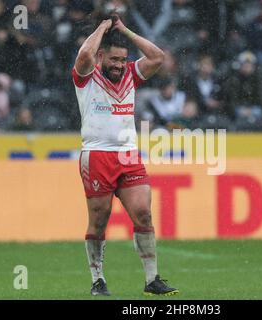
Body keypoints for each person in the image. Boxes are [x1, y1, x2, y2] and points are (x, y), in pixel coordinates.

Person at [72, 15, 178, 297]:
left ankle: (152, 279)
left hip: (128, 155)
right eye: (114, 59)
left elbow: (157, 57)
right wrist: (103, 27)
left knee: (143, 213)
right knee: (100, 219)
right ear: (101, 56)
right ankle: (97, 280)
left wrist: (124, 30)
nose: (119, 65)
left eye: (123, 59)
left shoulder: (131, 74)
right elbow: (84, 53)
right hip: (97, 155)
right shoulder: (86, 77)